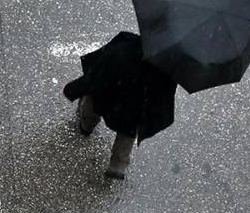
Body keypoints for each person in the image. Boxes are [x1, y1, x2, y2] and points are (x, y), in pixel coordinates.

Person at [62, 31, 177, 179]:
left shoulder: (125, 46)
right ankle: (117, 165)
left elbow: (97, 73)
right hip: (135, 108)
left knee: (92, 105)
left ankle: (86, 127)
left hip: (108, 95)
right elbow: (164, 96)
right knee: (127, 134)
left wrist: (74, 89)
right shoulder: (167, 67)